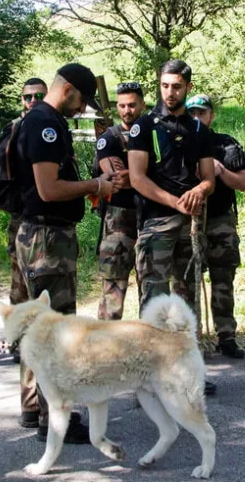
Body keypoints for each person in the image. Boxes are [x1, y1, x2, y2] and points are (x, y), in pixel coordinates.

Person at [14, 62, 115, 443]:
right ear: (68, 88)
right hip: (47, 239)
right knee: (53, 331)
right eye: (81, 100)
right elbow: (48, 189)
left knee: (36, 326)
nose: (81, 108)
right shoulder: (46, 124)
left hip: (39, 235)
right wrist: (97, 184)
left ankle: (32, 408)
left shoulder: (40, 120)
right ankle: (55, 420)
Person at [127, 59, 218, 395]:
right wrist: (173, 201)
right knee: (152, 298)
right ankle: (147, 377)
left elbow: (208, 178)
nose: (170, 92)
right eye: (165, 85)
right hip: (157, 221)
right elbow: (137, 178)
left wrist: (199, 190)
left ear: (188, 87)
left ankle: (188, 373)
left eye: (176, 86)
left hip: (190, 223)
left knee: (187, 298)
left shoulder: (199, 130)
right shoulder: (144, 125)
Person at [185, 94, 245, 359]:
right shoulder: (181, 142)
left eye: (202, 113)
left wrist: (221, 172)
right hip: (190, 219)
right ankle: (191, 339)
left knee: (223, 279)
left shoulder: (226, 144)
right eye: (193, 113)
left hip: (220, 218)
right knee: (188, 281)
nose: (197, 118)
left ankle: (226, 335)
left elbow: (243, 182)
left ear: (212, 115)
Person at [6, 77, 47, 428]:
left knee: (33, 307)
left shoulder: (44, 125)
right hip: (23, 224)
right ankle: (33, 402)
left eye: (39, 95)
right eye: (27, 96)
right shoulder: (15, 130)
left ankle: (32, 402)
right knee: (25, 304)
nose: (32, 100)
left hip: (37, 223)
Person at [94, 81, 146, 320]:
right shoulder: (110, 138)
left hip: (151, 214)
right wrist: (145, 172)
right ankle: (105, 343)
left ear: (142, 105)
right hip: (119, 217)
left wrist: (136, 174)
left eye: (132, 105)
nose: (127, 110)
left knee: (152, 284)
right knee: (114, 286)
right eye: (122, 105)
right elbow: (117, 179)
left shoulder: (153, 132)